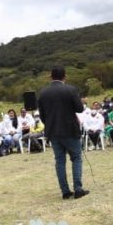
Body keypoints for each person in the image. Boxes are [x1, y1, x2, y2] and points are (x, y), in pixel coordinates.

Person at [37, 66, 88, 199]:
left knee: (59, 160)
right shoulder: (70, 89)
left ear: (50, 76)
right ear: (64, 76)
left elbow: (42, 116)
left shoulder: (43, 93)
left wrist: (50, 124)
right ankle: (78, 188)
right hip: (70, 129)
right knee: (76, 158)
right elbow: (80, 109)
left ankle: (65, 191)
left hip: (53, 131)